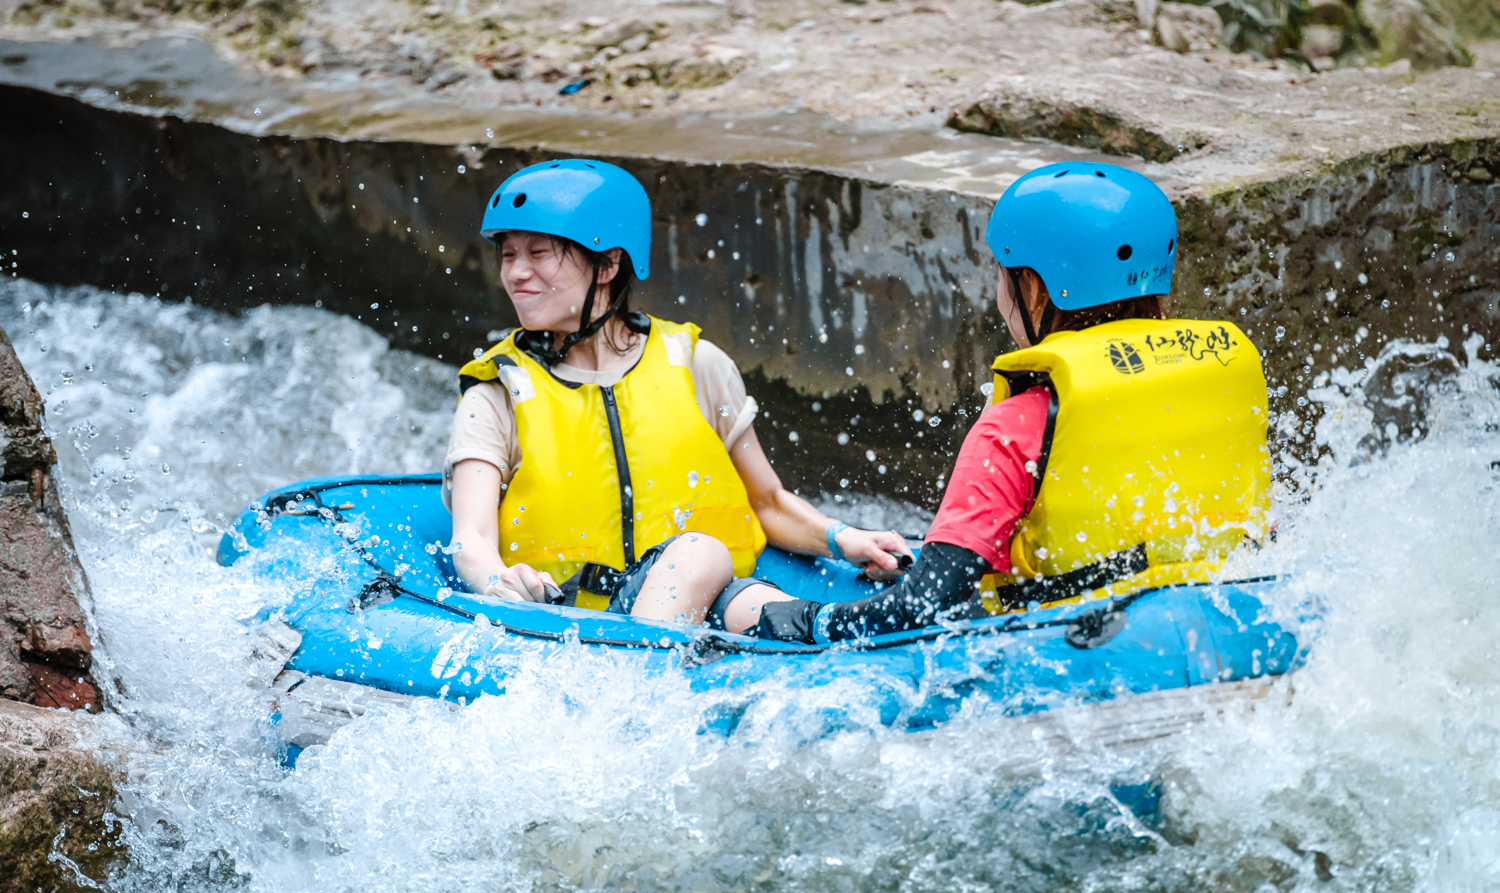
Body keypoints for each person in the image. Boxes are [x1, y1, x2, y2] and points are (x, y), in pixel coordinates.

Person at [758, 160, 1271, 643]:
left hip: (1079, 647)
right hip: (1228, 617)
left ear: (1032, 288)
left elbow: (925, 603)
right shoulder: (1216, 377)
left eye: (1003, 274)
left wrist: (809, 619)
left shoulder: (1019, 423)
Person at [444, 159, 911, 632]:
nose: (517, 273)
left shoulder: (696, 364)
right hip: (571, 619)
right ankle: (638, 670)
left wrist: (844, 538)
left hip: (704, 594)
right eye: (508, 255)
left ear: (607, 264)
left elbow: (766, 501)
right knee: (701, 549)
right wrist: (501, 583)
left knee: (759, 604)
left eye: (539, 253)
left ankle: (840, 628)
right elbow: (472, 538)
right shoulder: (497, 391)